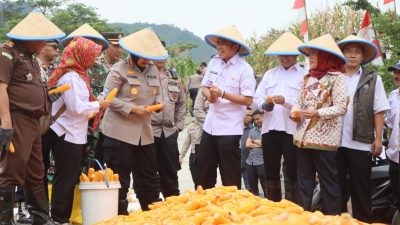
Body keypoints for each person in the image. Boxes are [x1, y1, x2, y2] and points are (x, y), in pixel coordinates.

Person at [0, 11, 65, 225]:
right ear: (29, 37)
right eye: (43, 38)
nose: (46, 43)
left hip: (33, 122)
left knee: (36, 170)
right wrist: (6, 125)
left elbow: (28, 88)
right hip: (17, 119)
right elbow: (1, 89)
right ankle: (5, 219)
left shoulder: (30, 58)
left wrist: (47, 96)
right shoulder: (7, 54)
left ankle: (40, 217)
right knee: (12, 169)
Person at [100, 27, 166, 213]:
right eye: (143, 56)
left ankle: (152, 213)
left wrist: (159, 102)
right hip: (119, 132)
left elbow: (158, 91)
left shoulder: (153, 69)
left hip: (144, 133)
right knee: (120, 178)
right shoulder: (118, 70)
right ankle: (119, 215)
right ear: (133, 54)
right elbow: (108, 98)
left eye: (149, 56)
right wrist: (131, 109)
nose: (147, 60)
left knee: (149, 175)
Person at [47, 36, 109, 224]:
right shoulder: (71, 78)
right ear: (82, 56)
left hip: (73, 132)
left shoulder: (79, 75)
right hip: (67, 133)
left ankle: (61, 216)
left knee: (68, 175)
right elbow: (77, 108)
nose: (93, 60)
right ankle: (59, 217)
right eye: (91, 55)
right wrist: (99, 104)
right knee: (65, 177)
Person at [291, 34, 348, 215]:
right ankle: (304, 217)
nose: (310, 59)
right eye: (310, 55)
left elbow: (341, 107)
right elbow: (298, 102)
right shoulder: (306, 78)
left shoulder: (337, 78)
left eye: (314, 55)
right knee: (304, 181)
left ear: (325, 56)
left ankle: (333, 218)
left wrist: (318, 113)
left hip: (324, 139)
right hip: (303, 138)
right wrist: (294, 112)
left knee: (328, 181)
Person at [336, 35, 390, 223]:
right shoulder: (333, 76)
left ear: (362, 56)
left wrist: (377, 138)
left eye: (356, 52)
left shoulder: (373, 79)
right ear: (341, 54)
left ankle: (363, 222)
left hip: (360, 143)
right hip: (334, 142)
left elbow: (379, 111)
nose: (352, 55)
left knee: (361, 188)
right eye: (348, 51)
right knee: (337, 189)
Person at [196, 25, 256, 189]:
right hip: (210, 127)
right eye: (218, 43)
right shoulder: (214, 62)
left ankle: (230, 211)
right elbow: (205, 87)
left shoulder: (245, 70)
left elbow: (248, 100)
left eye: (223, 43)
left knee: (229, 177)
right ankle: (205, 209)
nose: (219, 47)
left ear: (235, 46)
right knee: (203, 172)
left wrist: (223, 94)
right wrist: (211, 97)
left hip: (229, 130)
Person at [254, 32, 304, 203]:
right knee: (271, 172)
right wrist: (265, 104)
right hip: (270, 129)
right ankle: (273, 208)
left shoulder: (303, 75)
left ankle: (296, 209)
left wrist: (286, 101)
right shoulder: (270, 75)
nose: (285, 57)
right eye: (282, 54)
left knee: (294, 172)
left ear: (297, 54)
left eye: (289, 54)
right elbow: (257, 98)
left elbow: (305, 102)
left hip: (292, 130)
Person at [15, 38, 61, 224]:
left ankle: (40, 212)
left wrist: (50, 95)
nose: (57, 51)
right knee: (20, 164)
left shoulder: (51, 68)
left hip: (43, 121)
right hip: (22, 119)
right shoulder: (24, 61)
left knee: (38, 167)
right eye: (53, 46)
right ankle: (22, 207)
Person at [151, 41, 186, 198]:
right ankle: (151, 206)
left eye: (163, 54)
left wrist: (178, 126)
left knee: (171, 171)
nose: (160, 58)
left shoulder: (173, 77)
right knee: (149, 171)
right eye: (156, 53)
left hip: (169, 132)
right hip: (149, 131)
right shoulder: (144, 74)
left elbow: (181, 103)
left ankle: (172, 203)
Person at [93, 32, 124, 169]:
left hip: (117, 123)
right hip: (95, 123)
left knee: (116, 165)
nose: (119, 50)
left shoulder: (125, 67)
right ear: (105, 46)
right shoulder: (93, 64)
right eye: (115, 46)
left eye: (121, 47)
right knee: (94, 162)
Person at [385, 61, 400, 224]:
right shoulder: (392, 97)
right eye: (395, 72)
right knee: (397, 199)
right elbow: (389, 124)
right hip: (395, 158)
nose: (397, 76)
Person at [245, 110, 266, 197]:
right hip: (250, 162)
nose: (256, 121)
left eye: (258, 119)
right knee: (253, 190)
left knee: (266, 188)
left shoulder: (268, 130)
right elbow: (247, 144)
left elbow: (267, 144)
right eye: (255, 120)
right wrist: (260, 143)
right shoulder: (253, 130)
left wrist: (254, 141)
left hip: (262, 162)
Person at [179, 119, 202, 186]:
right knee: (196, 180)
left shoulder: (207, 126)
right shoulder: (191, 127)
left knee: (204, 181)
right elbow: (187, 142)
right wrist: (181, 156)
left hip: (204, 155)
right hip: (193, 155)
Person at [240, 108, 253, 190]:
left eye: (251, 116)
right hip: (236, 162)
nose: (249, 117)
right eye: (247, 115)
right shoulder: (235, 128)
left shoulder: (253, 130)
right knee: (234, 187)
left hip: (248, 162)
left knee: (249, 188)